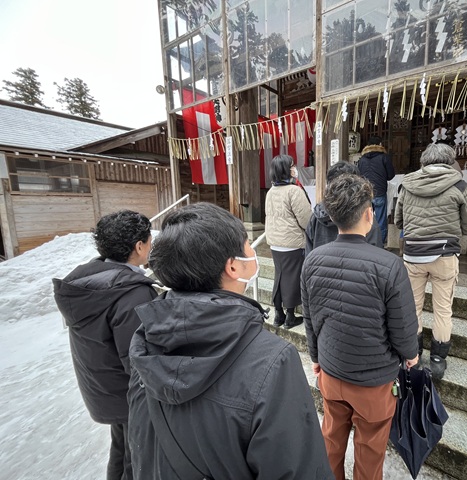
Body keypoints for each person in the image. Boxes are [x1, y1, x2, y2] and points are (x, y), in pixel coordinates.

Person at [127, 203, 332, 480]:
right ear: (233, 266)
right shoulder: (273, 360)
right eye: (248, 245)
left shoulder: (145, 341)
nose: (253, 252)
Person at [301, 174, 419, 480]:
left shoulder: (312, 260)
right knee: (370, 449)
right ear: (369, 214)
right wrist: (411, 354)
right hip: (374, 381)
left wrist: (315, 358)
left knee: (331, 439)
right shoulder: (389, 265)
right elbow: (403, 325)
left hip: (331, 370)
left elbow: (311, 319)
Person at [52, 210, 157, 480]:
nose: (151, 245)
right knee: (137, 457)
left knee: (122, 449)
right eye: (149, 240)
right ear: (139, 246)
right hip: (128, 395)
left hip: (104, 389)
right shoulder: (131, 293)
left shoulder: (87, 282)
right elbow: (137, 359)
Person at [394, 143, 467, 380]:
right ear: (450, 161)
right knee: (443, 309)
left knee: (412, 307)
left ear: (424, 160)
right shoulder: (460, 185)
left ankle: (414, 355)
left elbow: (398, 222)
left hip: (413, 255)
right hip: (444, 256)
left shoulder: (407, 185)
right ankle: (438, 361)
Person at [265, 154, 311, 328]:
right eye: (292, 166)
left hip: (275, 241)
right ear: (286, 170)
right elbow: (306, 219)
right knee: (292, 278)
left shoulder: (271, 191)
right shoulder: (294, 191)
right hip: (292, 242)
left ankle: (278, 314)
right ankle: (290, 316)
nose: (294, 169)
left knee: (279, 277)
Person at [305, 160, 383, 254]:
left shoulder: (316, 217)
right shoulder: (366, 217)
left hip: (320, 263)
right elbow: (377, 254)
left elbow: (308, 254)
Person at [357, 136, 395, 244]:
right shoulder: (384, 157)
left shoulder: (362, 159)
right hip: (380, 192)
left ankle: (365, 241)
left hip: (365, 193)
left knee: (365, 219)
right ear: (379, 144)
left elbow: (358, 176)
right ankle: (380, 243)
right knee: (381, 220)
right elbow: (390, 175)